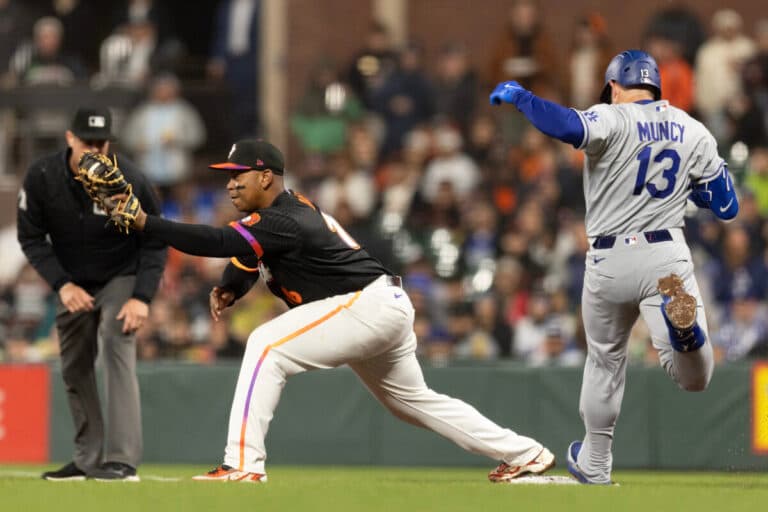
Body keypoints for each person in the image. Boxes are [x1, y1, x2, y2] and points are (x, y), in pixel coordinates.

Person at [111, 138, 554, 483]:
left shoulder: (285, 218)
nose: (229, 183)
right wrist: (230, 286)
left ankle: (242, 463)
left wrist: (148, 223)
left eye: (238, 174)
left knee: (266, 345)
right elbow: (246, 259)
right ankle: (525, 453)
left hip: (365, 305)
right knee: (413, 403)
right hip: (380, 307)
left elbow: (221, 242)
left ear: (266, 177)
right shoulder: (281, 215)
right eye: (228, 175)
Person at [490, 49, 739, 484]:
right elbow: (727, 206)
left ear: (615, 86)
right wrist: (694, 192)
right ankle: (685, 335)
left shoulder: (612, 116)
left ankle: (596, 462)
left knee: (605, 362)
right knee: (694, 378)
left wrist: (522, 96)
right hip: (665, 259)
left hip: (608, 260)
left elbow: (566, 125)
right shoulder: (692, 129)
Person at [16, 107, 167, 481]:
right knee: (74, 364)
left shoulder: (129, 178)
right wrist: (61, 284)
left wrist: (142, 297)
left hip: (121, 275)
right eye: (88, 142)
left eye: (101, 142)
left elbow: (156, 240)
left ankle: (121, 460)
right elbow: (31, 237)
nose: (95, 150)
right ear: (70, 138)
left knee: (117, 344)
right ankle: (87, 459)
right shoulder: (44, 176)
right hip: (73, 280)